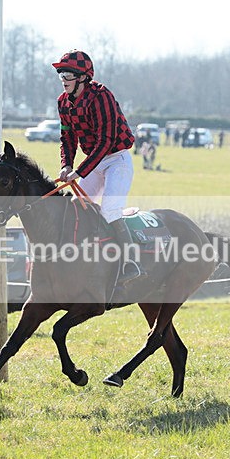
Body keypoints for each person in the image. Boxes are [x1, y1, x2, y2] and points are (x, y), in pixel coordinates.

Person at [52, 49, 142, 283]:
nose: (63, 81)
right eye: (61, 75)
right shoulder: (63, 103)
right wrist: (66, 165)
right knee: (77, 206)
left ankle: (130, 262)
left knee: (110, 210)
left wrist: (79, 171)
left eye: (68, 76)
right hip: (94, 160)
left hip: (116, 159)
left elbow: (106, 141)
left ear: (82, 77)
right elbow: (67, 138)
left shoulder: (102, 97)